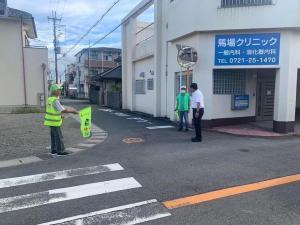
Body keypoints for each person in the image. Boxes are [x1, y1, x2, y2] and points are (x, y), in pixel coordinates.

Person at [44, 84, 78, 156]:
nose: (60, 91)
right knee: (59, 136)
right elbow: (62, 110)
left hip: (50, 121)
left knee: (53, 136)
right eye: (59, 90)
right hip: (54, 121)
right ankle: (60, 151)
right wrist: (73, 111)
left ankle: (54, 150)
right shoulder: (55, 100)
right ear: (55, 91)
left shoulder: (49, 99)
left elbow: (55, 110)